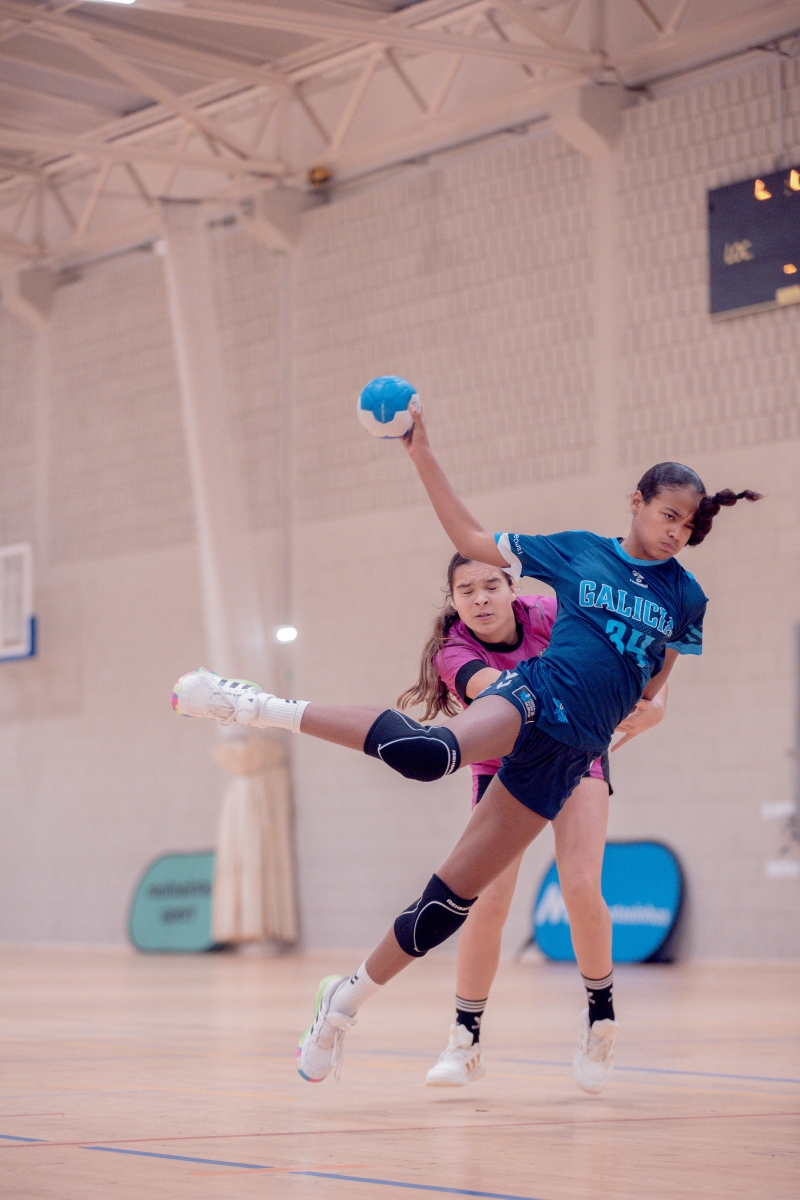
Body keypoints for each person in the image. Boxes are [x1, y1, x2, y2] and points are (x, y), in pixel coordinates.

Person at [172, 404, 762, 1090]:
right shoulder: (578, 553)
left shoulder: (686, 596)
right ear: (636, 501)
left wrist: (653, 711)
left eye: (687, 525)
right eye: (667, 516)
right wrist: (420, 453)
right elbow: (471, 536)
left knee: (447, 904)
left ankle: (342, 1001)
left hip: (570, 756)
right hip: (531, 698)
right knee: (427, 754)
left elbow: (654, 685)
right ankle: (257, 706)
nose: (676, 532)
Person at [398, 551, 665, 1090]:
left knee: (581, 885)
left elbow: (635, 641)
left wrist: (653, 699)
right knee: (487, 899)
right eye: (467, 591)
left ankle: (601, 1022)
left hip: (577, 754)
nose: (480, 599)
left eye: (490, 586)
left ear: (513, 588)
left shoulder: (551, 613)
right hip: (503, 766)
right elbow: (503, 696)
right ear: (454, 601)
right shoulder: (455, 651)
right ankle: (465, 1039)